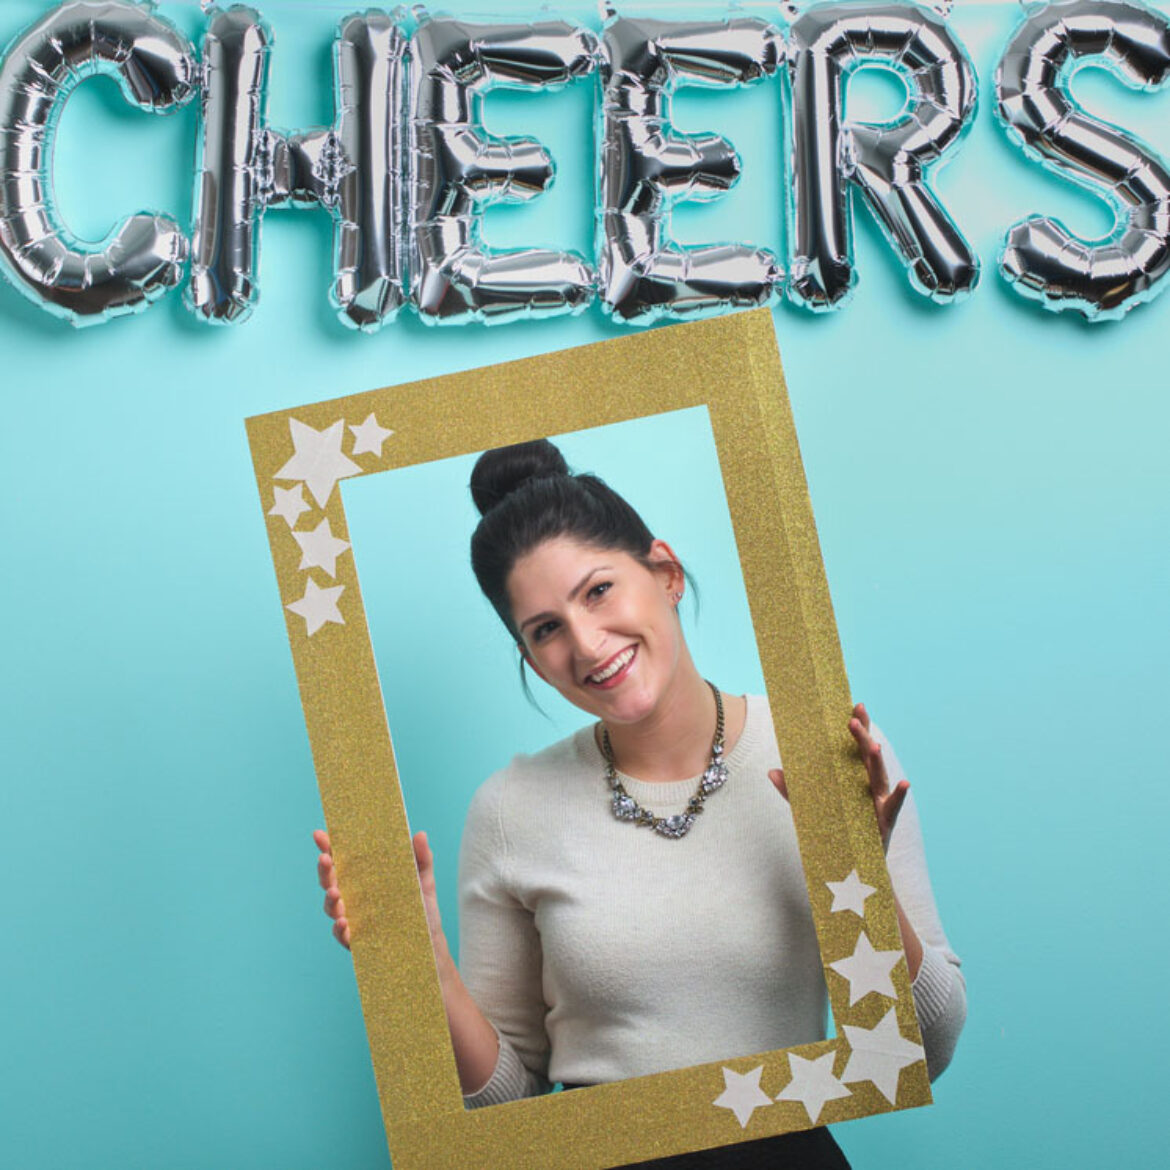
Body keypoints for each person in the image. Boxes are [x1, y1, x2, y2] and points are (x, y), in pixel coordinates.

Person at [315, 439, 965, 1168]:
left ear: (665, 572)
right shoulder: (508, 808)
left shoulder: (824, 748)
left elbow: (922, 1049)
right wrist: (424, 961)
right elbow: (508, 1105)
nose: (588, 647)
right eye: (546, 630)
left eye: (598, 591)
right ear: (529, 658)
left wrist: (860, 880)